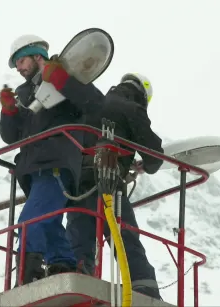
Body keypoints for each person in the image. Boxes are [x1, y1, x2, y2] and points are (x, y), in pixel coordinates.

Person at [0, 34, 105, 286]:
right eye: (16, 64)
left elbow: (96, 104)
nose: (19, 68)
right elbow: (11, 136)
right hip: (34, 167)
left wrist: (62, 80)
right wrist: (9, 112)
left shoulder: (66, 78)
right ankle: (63, 265)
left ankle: (29, 272)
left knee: (29, 222)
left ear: (38, 56)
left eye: (22, 60)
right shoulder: (26, 93)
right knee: (49, 221)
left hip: (55, 162)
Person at [65, 72, 165, 300]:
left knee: (79, 235)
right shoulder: (131, 109)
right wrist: (143, 165)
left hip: (78, 182)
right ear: (141, 95)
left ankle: (79, 276)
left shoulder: (94, 103)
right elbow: (154, 157)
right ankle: (144, 289)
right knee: (125, 236)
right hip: (108, 183)